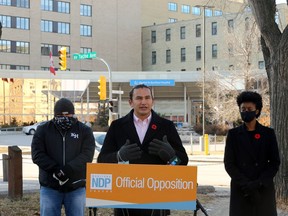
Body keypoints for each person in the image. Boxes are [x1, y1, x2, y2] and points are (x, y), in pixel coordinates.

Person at [97, 84, 189, 216]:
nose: (143, 102)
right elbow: (102, 160)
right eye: (139, 98)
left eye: (147, 98)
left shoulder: (166, 126)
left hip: (157, 197)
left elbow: (182, 162)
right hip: (125, 198)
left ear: (153, 101)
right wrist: (119, 156)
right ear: (130, 102)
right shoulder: (117, 126)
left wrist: (172, 156)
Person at [31, 98, 95, 216]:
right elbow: (37, 154)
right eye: (59, 115)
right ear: (55, 114)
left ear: (73, 114)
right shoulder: (43, 130)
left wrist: (68, 169)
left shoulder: (84, 130)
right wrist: (56, 169)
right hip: (50, 186)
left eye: (67, 115)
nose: (64, 118)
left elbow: (87, 154)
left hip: (76, 187)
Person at [224, 91, 280, 216]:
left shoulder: (268, 134)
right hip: (241, 190)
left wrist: (258, 183)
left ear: (257, 111)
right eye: (242, 109)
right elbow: (229, 164)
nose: (245, 111)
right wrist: (246, 184)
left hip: (263, 190)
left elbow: (275, 163)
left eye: (249, 108)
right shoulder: (233, 135)